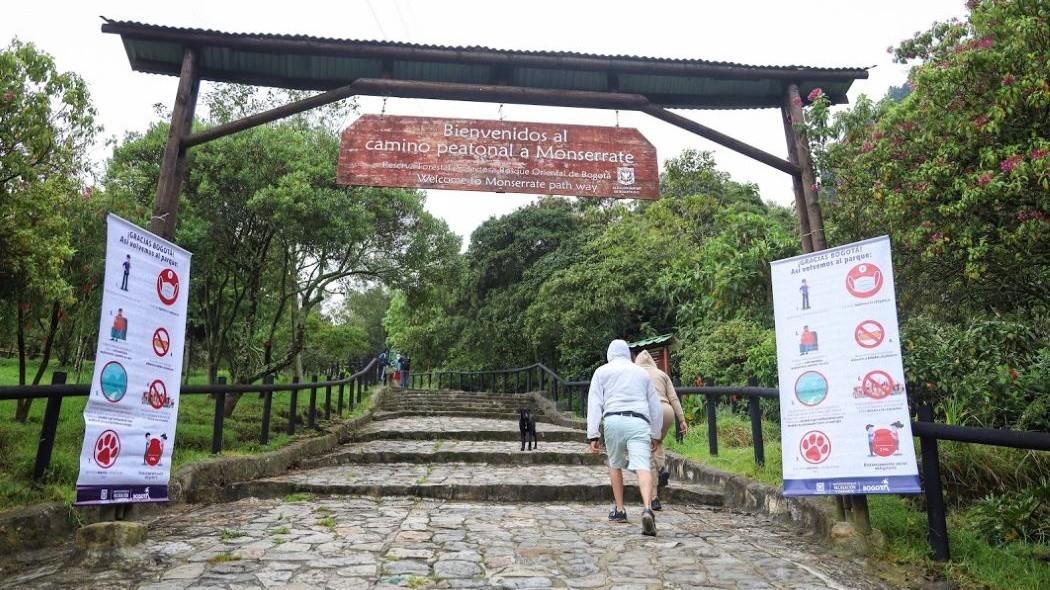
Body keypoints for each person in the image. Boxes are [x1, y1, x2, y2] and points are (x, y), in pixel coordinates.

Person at [587, 339, 663, 536]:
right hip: (638, 421)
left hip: (613, 421)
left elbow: (595, 403)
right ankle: (647, 508)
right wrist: (656, 433)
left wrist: (593, 434)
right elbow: (654, 405)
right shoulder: (641, 372)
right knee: (642, 466)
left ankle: (620, 510)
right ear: (628, 354)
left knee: (615, 463)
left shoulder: (601, 372)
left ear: (610, 354)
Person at [634, 350, 687, 511]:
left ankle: (654, 498)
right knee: (657, 442)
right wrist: (682, 419)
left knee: (647, 454)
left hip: (649, 411)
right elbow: (674, 398)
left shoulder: (635, 374)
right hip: (667, 411)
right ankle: (662, 467)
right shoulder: (662, 374)